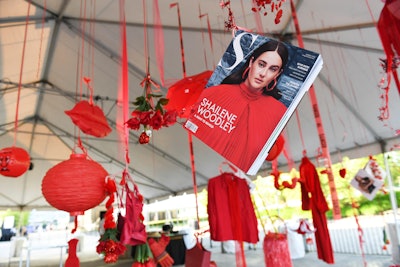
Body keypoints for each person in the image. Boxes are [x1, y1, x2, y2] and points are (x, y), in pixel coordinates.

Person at [185, 39, 289, 172]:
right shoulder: (213, 94)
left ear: (278, 74)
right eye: (261, 64)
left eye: (272, 69)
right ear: (252, 62)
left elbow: (271, 155)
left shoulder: (279, 111)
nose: (263, 74)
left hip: (242, 174)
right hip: (202, 168)